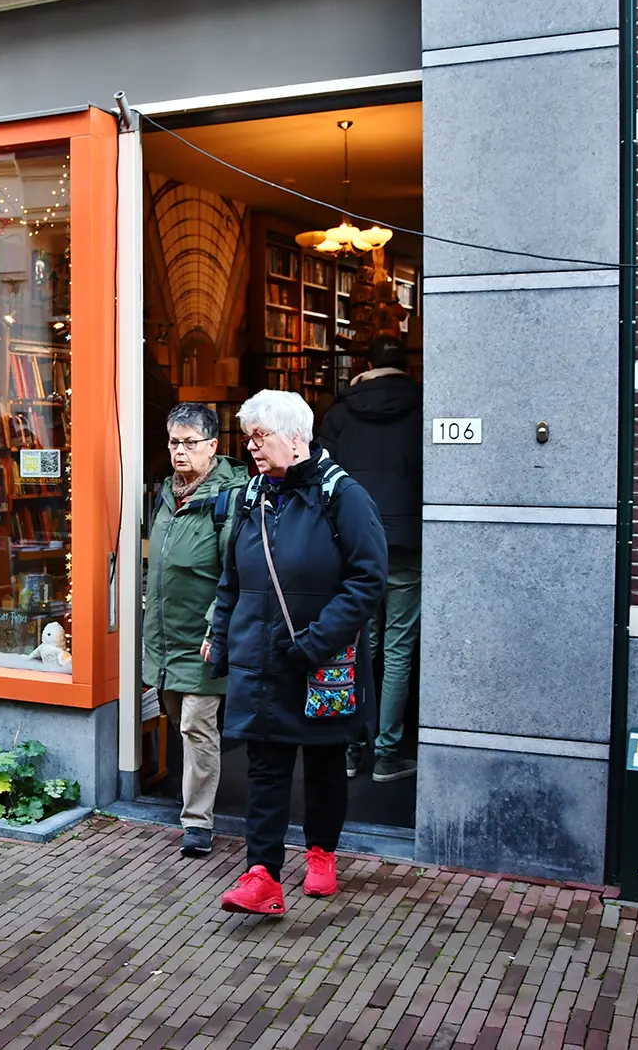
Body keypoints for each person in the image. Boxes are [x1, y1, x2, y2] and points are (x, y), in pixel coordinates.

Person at [204, 390, 387, 917]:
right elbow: (232, 579)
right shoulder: (250, 495)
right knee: (264, 769)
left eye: (260, 436)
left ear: (295, 438)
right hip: (259, 661)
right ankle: (262, 875)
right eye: (248, 437)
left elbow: (368, 580)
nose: (251, 446)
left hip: (319, 662)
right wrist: (221, 637)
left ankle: (322, 853)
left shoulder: (343, 496)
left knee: (325, 763)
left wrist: (314, 642)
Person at [142, 402, 248, 858]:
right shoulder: (167, 493)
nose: (179, 451)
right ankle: (194, 793)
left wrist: (215, 629)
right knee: (176, 716)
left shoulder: (230, 498)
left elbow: (235, 573)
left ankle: (197, 821)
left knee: (196, 725)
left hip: (203, 637)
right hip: (164, 638)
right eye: (173, 442)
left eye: (189, 442)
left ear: (213, 445)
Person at [320, 335, 423, 783]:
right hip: (405, 542)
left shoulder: (341, 411)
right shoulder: (424, 404)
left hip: (354, 542)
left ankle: (349, 747)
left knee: (360, 644)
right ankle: (387, 753)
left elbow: (321, 474)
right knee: (398, 648)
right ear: (407, 365)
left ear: (366, 364)